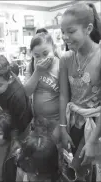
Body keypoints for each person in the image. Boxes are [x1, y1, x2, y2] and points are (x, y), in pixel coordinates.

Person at [59, 3, 101, 182]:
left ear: (88, 29)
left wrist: (92, 141)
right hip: (73, 124)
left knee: (91, 172)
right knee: (73, 172)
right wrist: (62, 128)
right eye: (63, 32)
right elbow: (63, 95)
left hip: (95, 127)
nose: (65, 37)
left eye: (71, 31)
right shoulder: (66, 58)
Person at [24, 32, 60, 140]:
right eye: (37, 56)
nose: (41, 59)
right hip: (37, 122)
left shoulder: (61, 66)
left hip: (56, 122)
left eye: (45, 53)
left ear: (53, 48)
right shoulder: (31, 66)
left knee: (55, 151)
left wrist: (61, 125)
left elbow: (65, 98)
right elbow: (26, 92)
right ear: (32, 54)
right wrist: (38, 72)